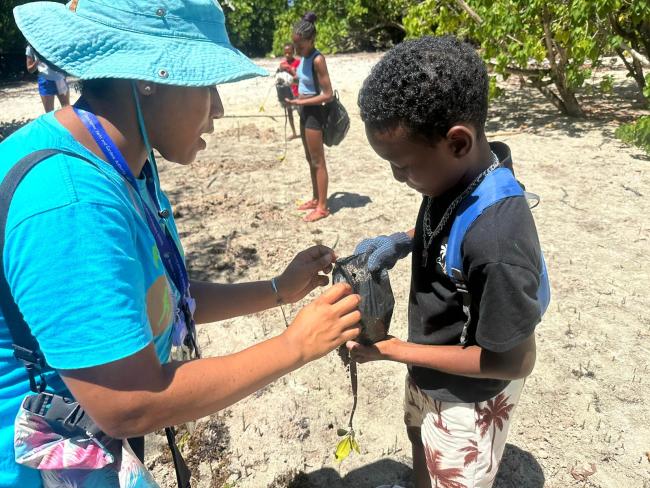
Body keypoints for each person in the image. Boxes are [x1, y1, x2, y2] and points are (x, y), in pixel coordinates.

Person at [0, 1, 361, 487]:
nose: (218, 108)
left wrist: (279, 288)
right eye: (205, 84)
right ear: (146, 79)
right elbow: (129, 404)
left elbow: (159, 294)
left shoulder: (123, 163)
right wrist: (294, 346)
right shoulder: (72, 204)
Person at [349, 36, 546, 488]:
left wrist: (393, 350)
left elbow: (513, 361)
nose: (397, 177)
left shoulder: (498, 240)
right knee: (419, 436)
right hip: (431, 361)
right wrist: (402, 242)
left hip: (469, 394)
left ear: (457, 142)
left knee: (450, 472)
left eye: (401, 165)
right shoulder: (457, 175)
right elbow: (449, 220)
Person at [285, 12, 333, 223]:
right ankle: (315, 198)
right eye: (295, 47)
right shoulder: (304, 58)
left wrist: (300, 102)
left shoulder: (317, 59)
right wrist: (288, 75)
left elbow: (327, 94)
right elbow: (304, 80)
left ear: (311, 41)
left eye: (301, 47)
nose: (297, 51)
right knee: (309, 159)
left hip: (314, 113)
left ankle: (323, 207)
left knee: (318, 161)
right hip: (304, 110)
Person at [25, 43, 70, 113]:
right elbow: (30, 69)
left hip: (60, 78)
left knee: (67, 110)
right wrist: (37, 61)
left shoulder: (54, 41)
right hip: (45, 81)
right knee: (49, 113)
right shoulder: (30, 47)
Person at [277, 42, 300, 139]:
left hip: (296, 91)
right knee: (289, 113)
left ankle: (303, 130)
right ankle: (294, 132)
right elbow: (279, 78)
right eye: (285, 53)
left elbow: (298, 78)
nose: (287, 55)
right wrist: (280, 69)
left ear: (293, 52)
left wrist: (290, 69)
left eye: (289, 53)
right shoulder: (282, 64)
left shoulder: (298, 63)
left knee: (300, 113)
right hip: (286, 92)